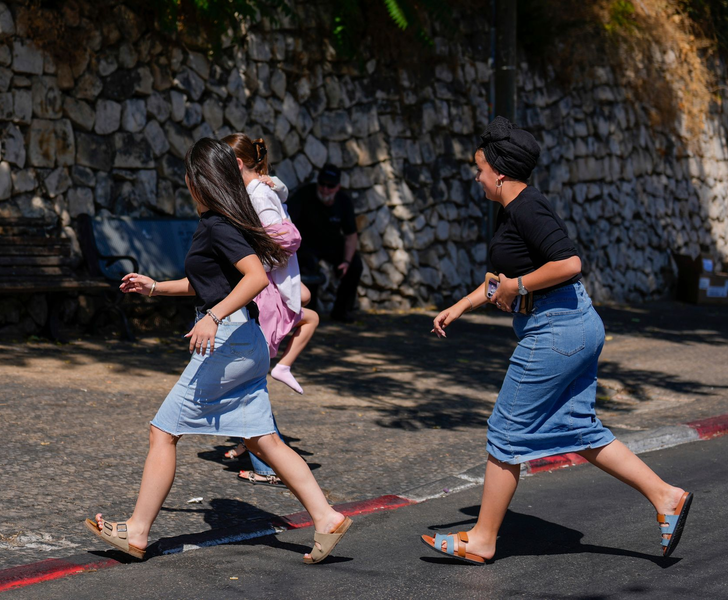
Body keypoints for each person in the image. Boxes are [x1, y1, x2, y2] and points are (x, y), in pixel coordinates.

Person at [420, 117, 692, 565]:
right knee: (579, 429)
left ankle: (483, 539)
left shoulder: (528, 208)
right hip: (572, 324)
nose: (476, 176)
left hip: (557, 328)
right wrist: (462, 305)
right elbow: (501, 279)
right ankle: (667, 496)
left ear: (500, 173)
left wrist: (518, 286)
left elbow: (568, 264)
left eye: (480, 168)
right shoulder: (513, 210)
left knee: (505, 430)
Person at [84, 138, 352, 565]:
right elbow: (209, 283)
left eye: (188, 174)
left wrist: (212, 316)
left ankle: (137, 531)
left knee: (162, 432)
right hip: (247, 340)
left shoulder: (218, 224)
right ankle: (326, 517)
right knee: (263, 440)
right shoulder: (224, 221)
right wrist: (155, 287)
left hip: (229, 341)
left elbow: (254, 279)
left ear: (200, 180)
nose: (185, 181)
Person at [220, 132, 319, 487]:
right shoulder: (256, 191)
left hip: (265, 294)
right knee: (249, 380)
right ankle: (256, 451)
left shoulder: (258, 194)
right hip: (267, 290)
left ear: (237, 164)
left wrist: (252, 264)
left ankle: (266, 463)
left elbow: (286, 239)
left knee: (249, 382)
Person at [288, 164, 362, 323]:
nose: (325, 189)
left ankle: (342, 311)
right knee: (309, 266)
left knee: (355, 265)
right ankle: (308, 313)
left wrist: (346, 261)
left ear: (338, 187)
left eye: (330, 186)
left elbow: (351, 235)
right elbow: (287, 221)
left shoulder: (344, 202)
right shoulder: (304, 195)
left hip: (332, 245)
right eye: (322, 184)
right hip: (306, 245)